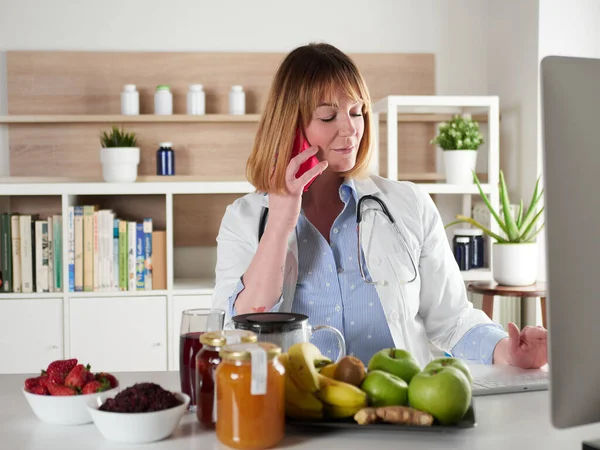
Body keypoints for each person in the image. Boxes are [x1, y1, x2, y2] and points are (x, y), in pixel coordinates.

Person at [212, 42, 547, 369]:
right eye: (328, 116)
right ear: (290, 127)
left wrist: (507, 350)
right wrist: (281, 222)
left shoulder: (410, 205)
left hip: (398, 412)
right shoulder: (244, 220)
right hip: (298, 413)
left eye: (357, 112)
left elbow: (453, 320)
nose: (351, 128)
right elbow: (238, 334)